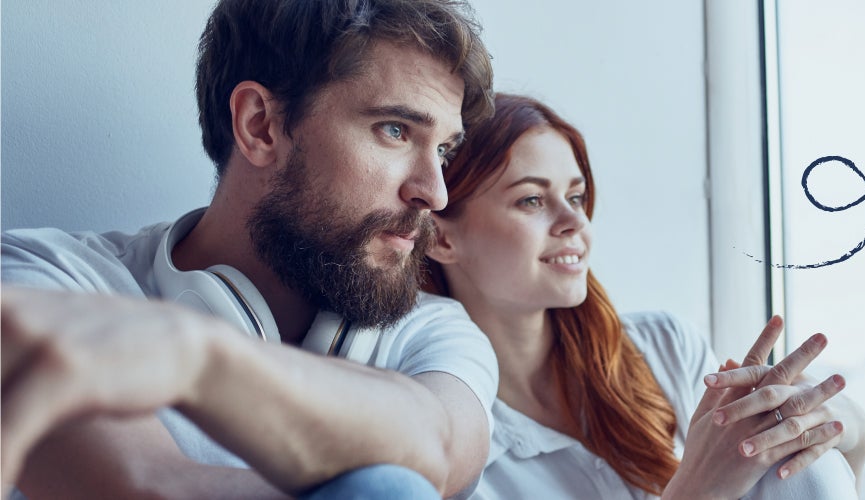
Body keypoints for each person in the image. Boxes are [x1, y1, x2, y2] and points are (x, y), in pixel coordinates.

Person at [1, 0, 499, 498]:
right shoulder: (47, 283)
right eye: (395, 130)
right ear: (260, 125)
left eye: (443, 149)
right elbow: (143, 486)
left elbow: (438, 450)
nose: (435, 193)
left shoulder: (434, 331)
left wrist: (196, 357)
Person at [421, 93, 865, 498]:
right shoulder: (455, 446)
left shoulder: (665, 346)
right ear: (441, 240)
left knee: (797, 459)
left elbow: (820, 468)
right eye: (532, 201)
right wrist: (698, 490)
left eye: (576, 197)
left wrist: (829, 419)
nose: (574, 222)